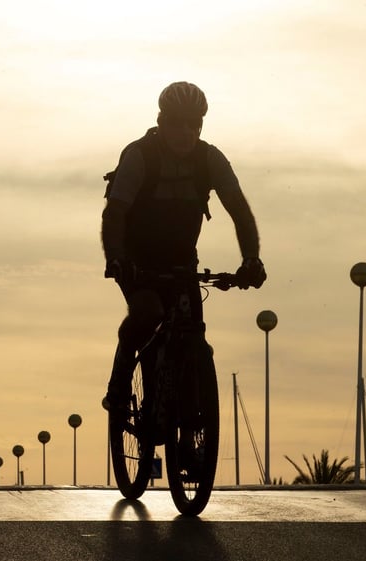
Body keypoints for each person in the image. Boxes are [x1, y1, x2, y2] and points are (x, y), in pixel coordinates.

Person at [101, 81, 266, 409]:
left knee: (193, 333)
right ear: (161, 122)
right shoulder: (140, 156)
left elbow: (240, 211)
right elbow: (115, 213)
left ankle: (188, 407)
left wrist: (251, 260)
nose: (186, 131)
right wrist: (117, 258)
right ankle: (119, 383)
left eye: (195, 124)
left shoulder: (210, 159)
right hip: (136, 256)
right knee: (148, 312)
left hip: (181, 260)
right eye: (177, 122)